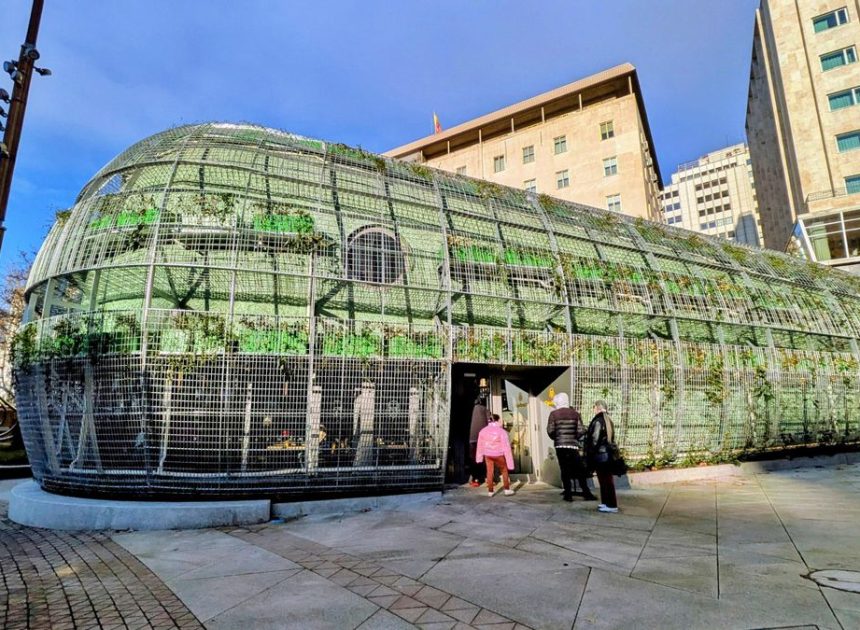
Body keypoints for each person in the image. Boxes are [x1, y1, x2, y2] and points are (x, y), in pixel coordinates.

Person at [547, 392, 596, 502]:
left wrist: (557, 437)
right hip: (573, 445)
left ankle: (568, 494)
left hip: (560, 445)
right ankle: (586, 493)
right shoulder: (575, 414)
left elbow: (550, 430)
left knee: (564, 469)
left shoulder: (553, 414)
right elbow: (581, 430)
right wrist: (574, 437)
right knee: (579, 469)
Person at [586, 400, 619, 513]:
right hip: (608, 454)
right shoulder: (608, 420)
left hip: (600, 455)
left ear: (597, 408)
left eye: (594, 407)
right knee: (606, 480)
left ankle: (611, 505)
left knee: (605, 481)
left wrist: (590, 452)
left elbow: (595, 440)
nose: (593, 409)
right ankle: (606, 502)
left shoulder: (598, 421)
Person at [476, 414, 515, 496]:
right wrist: (510, 464)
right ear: (498, 420)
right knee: (504, 470)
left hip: (488, 454)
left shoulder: (483, 431)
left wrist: (479, 458)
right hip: (499, 454)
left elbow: (480, 445)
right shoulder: (502, 431)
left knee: (489, 471)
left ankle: (490, 491)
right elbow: (506, 447)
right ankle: (507, 489)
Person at [468, 399, 491, 486]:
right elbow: (490, 421)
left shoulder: (469, 410)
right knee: (485, 458)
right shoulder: (485, 409)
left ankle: (475, 479)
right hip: (483, 438)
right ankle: (487, 478)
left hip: (472, 439)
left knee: (474, 459)